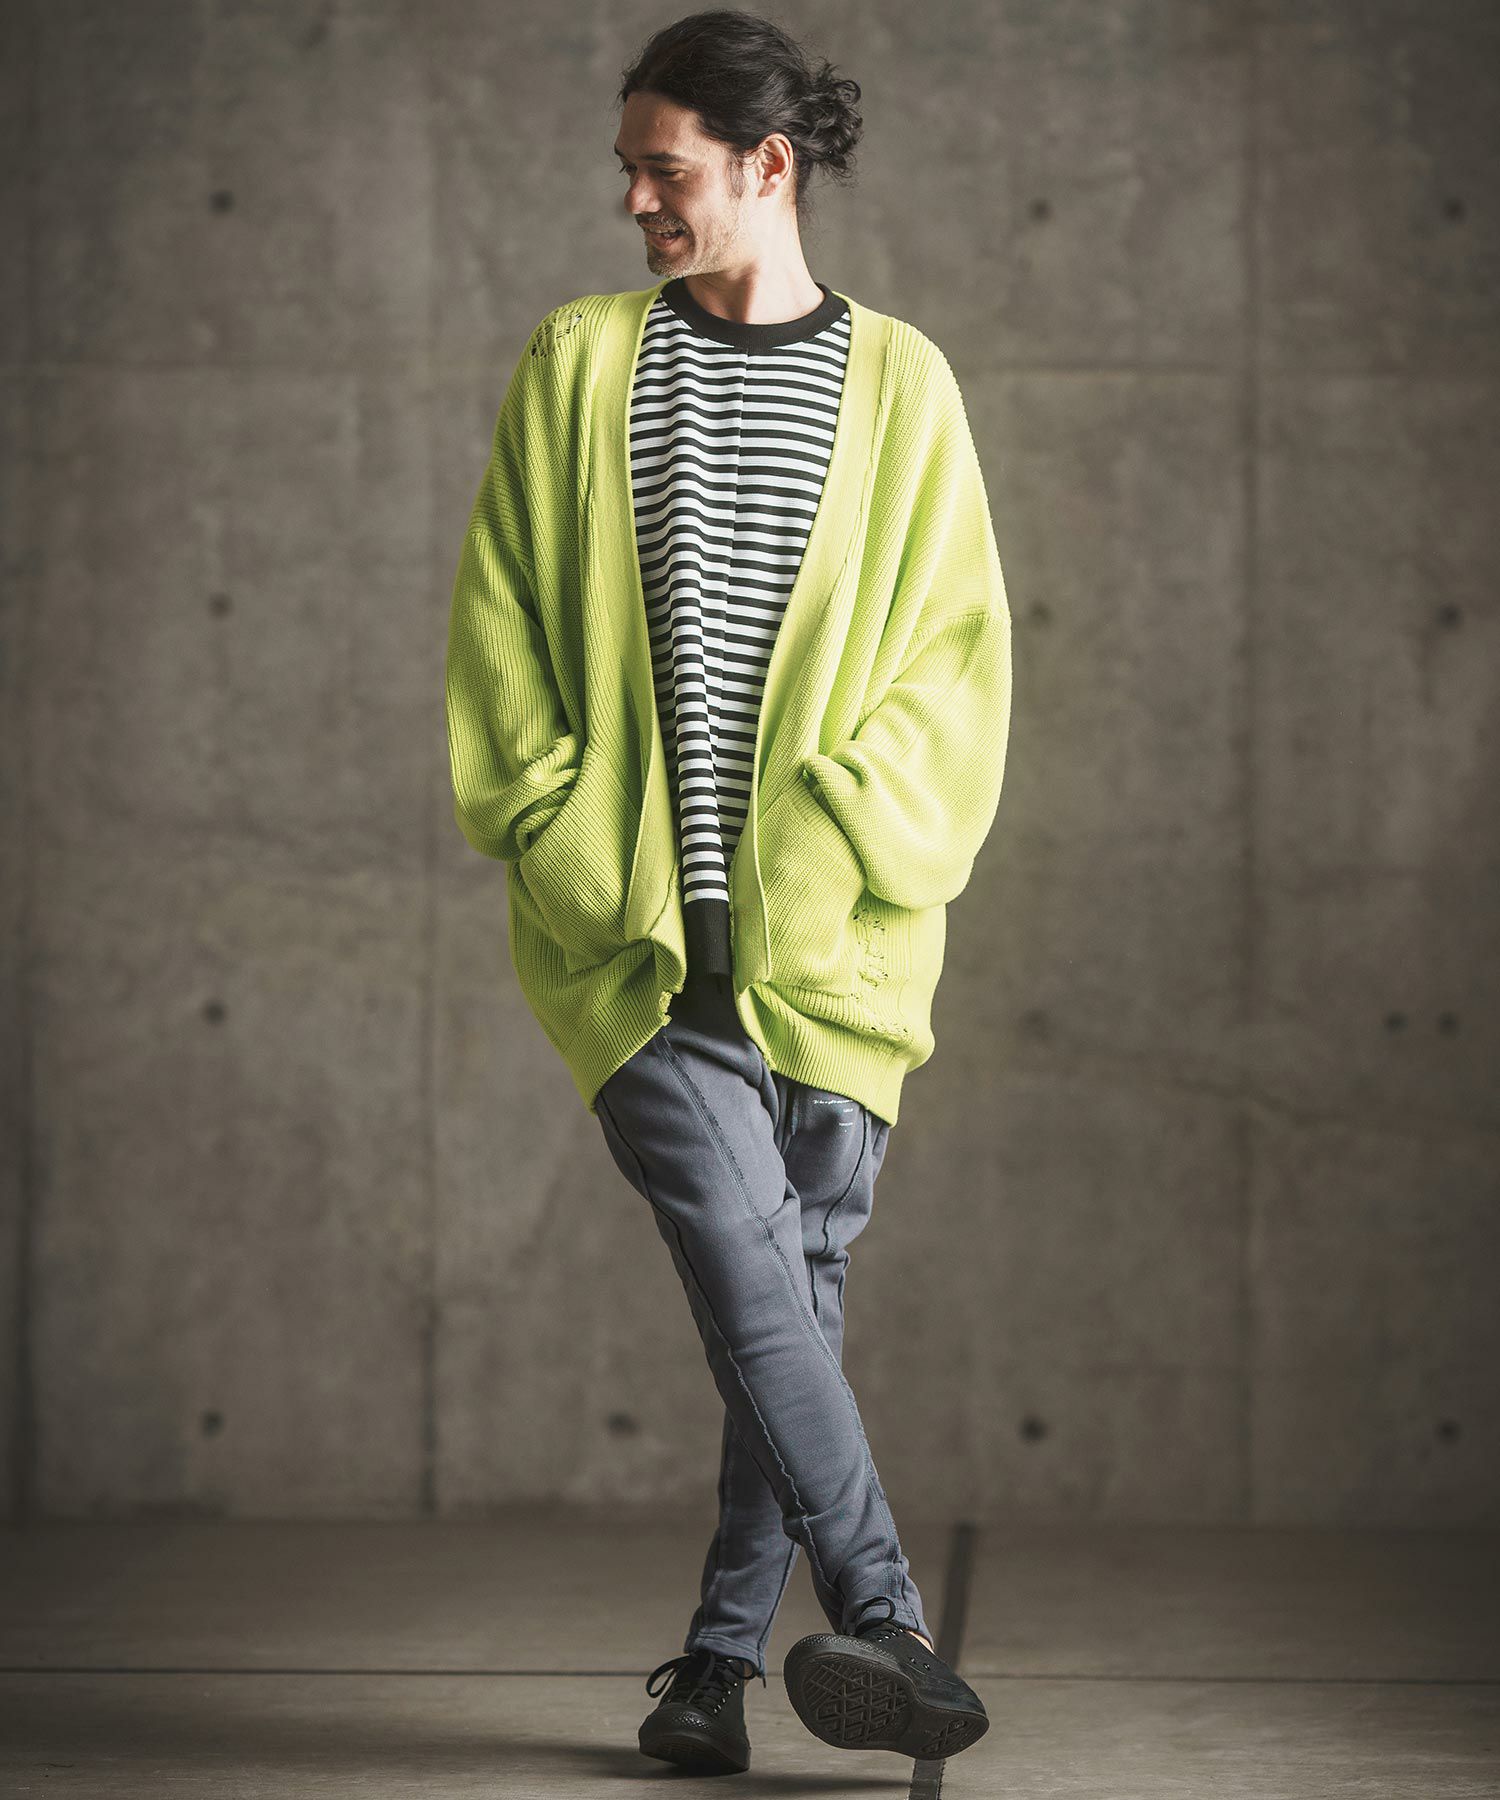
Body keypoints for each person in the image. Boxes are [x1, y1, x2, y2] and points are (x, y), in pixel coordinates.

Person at [444, 8, 1012, 1774]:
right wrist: (558, 830)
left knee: (788, 1309)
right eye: (626, 170)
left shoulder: (903, 383)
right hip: (635, 944)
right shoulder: (580, 364)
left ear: (770, 166)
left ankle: (708, 1673)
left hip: (836, 954)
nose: (634, 201)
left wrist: (834, 849)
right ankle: (889, 1617)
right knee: (762, 1281)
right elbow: (499, 628)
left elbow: (956, 670)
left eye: (664, 169)